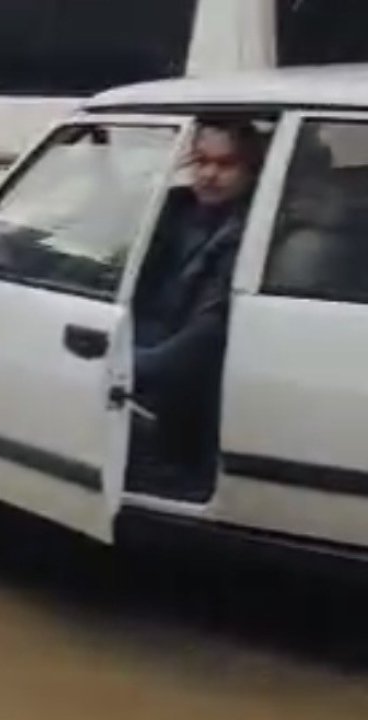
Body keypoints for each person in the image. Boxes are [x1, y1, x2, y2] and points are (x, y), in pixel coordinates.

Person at [129, 118, 265, 498]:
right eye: (201, 161)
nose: (208, 174)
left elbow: (207, 332)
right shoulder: (175, 208)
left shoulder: (250, 232)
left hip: (189, 375)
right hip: (150, 338)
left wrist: (123, 365)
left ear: (251, 172)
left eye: (225, 165)